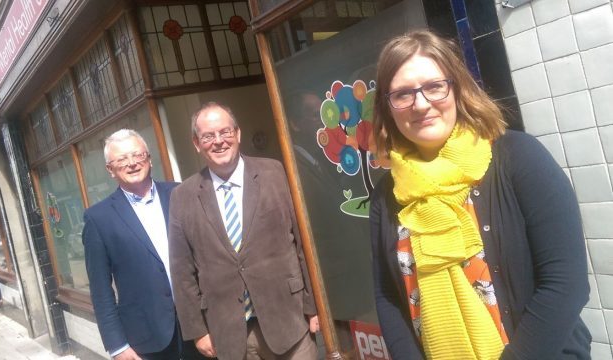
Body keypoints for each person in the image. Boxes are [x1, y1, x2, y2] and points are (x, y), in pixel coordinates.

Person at [370, 30, 591, 359]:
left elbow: (565, 282)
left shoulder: (519, 158)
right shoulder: (386, 195)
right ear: (388, 107)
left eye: (434, 86)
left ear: (456, 88)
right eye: (402, 94)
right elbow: (388, 297)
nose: (420, 103)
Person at [169, 102, 319, 360]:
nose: (218, 141)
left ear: (237, 134)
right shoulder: (182, 196)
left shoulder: (276, 173)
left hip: (290, 322)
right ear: (197, 143)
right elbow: (182, 271)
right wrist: (197, 330)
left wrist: (314, 305)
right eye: (208, 136)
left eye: (225, 132)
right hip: (229, 335)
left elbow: (303, 244)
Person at [82, 129, 203, 360]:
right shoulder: (99, 218)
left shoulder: (180, 193)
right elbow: (100, 290)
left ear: (148, 158)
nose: (132, 164)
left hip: (199, 326)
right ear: (110, 170)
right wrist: (117, 346)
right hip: (146, 340)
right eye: (122, 159)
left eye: (137, 155)